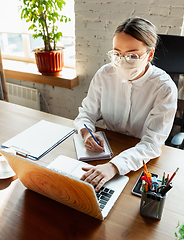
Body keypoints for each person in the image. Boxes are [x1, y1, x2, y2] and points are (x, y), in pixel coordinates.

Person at [74, 17, 177, 191]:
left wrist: (114, 167)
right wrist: (86, 133)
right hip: (105, 152)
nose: (122, 61)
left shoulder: (164, 88)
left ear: (149, 55)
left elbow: (151, 143)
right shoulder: (105, 74)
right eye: (117, 53)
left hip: (141, 162)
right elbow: (86, 114)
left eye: (132, 55)